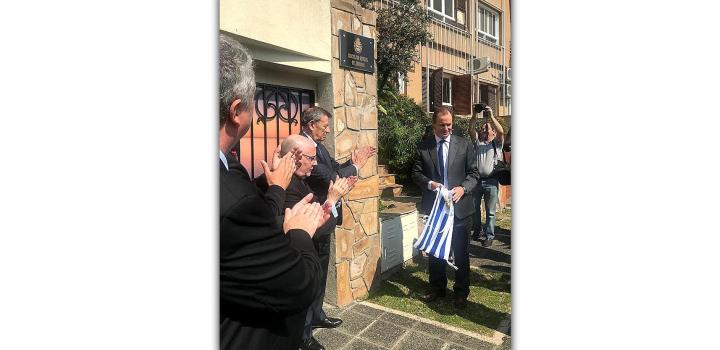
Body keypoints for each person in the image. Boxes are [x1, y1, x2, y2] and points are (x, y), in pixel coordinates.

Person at [219, 33, 326, 350]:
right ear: (237, 111)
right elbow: (298, 286)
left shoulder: (237, 174)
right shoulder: (232, 200)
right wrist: (299, 231)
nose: (315, 162)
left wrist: (274, 185)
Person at [256, 135, 355, 350]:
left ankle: (314, 320)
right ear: (295, 156)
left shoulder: (296, 179)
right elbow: (312, 227)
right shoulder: (285, 186)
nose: (316, 162)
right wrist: (332, 200)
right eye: (311, 157)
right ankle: (303, 338)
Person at [298, 106, 375, 329]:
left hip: (325, 222)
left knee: (321, 273)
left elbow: (335, 167)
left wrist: (351, 163)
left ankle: (317, 315)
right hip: (312, 222)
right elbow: (330, 176)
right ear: (312, 125)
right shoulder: (303, 149)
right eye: (325, 126)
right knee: (309, 276)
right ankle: (304, 331)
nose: (329, 130)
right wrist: (356, 166)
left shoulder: (319, 147)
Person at [411, 106, 479, 309]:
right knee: (436, 251)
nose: (447, 128)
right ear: (434, 125)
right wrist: (430, 184)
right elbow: (415, 173)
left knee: (461, 252)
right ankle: (437, 287)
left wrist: (463, 189)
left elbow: (474, 174)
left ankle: (461, 292)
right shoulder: (424, 147)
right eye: (442, 125)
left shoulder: (465, 145)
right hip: (436, 210)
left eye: (449, 124)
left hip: (460, 209)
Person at [468, 105, 505, 247]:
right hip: (476, 181)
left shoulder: (497, 144)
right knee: (475, 209)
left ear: (493, 133)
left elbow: (501, 131)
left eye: (487, 129)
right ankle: (477, 231)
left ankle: (489, 235)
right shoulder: (478, 143)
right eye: (483, 129)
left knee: (490, 212)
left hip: (491, 181)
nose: (484, 130)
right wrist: (474, 115)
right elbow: (471, 129)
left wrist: (491, 115)